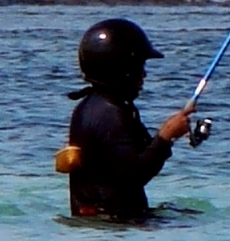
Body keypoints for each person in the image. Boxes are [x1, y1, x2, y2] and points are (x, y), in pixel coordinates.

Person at [58, 18, 194, 220]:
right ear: (122, 70)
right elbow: (134, 175)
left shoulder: (95, 105)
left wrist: (167, 134)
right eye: (140, 65)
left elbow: (133, 158)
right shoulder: (109, 115)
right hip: (113, 221)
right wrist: (166, 137)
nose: (144, 74)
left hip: (102, 219)